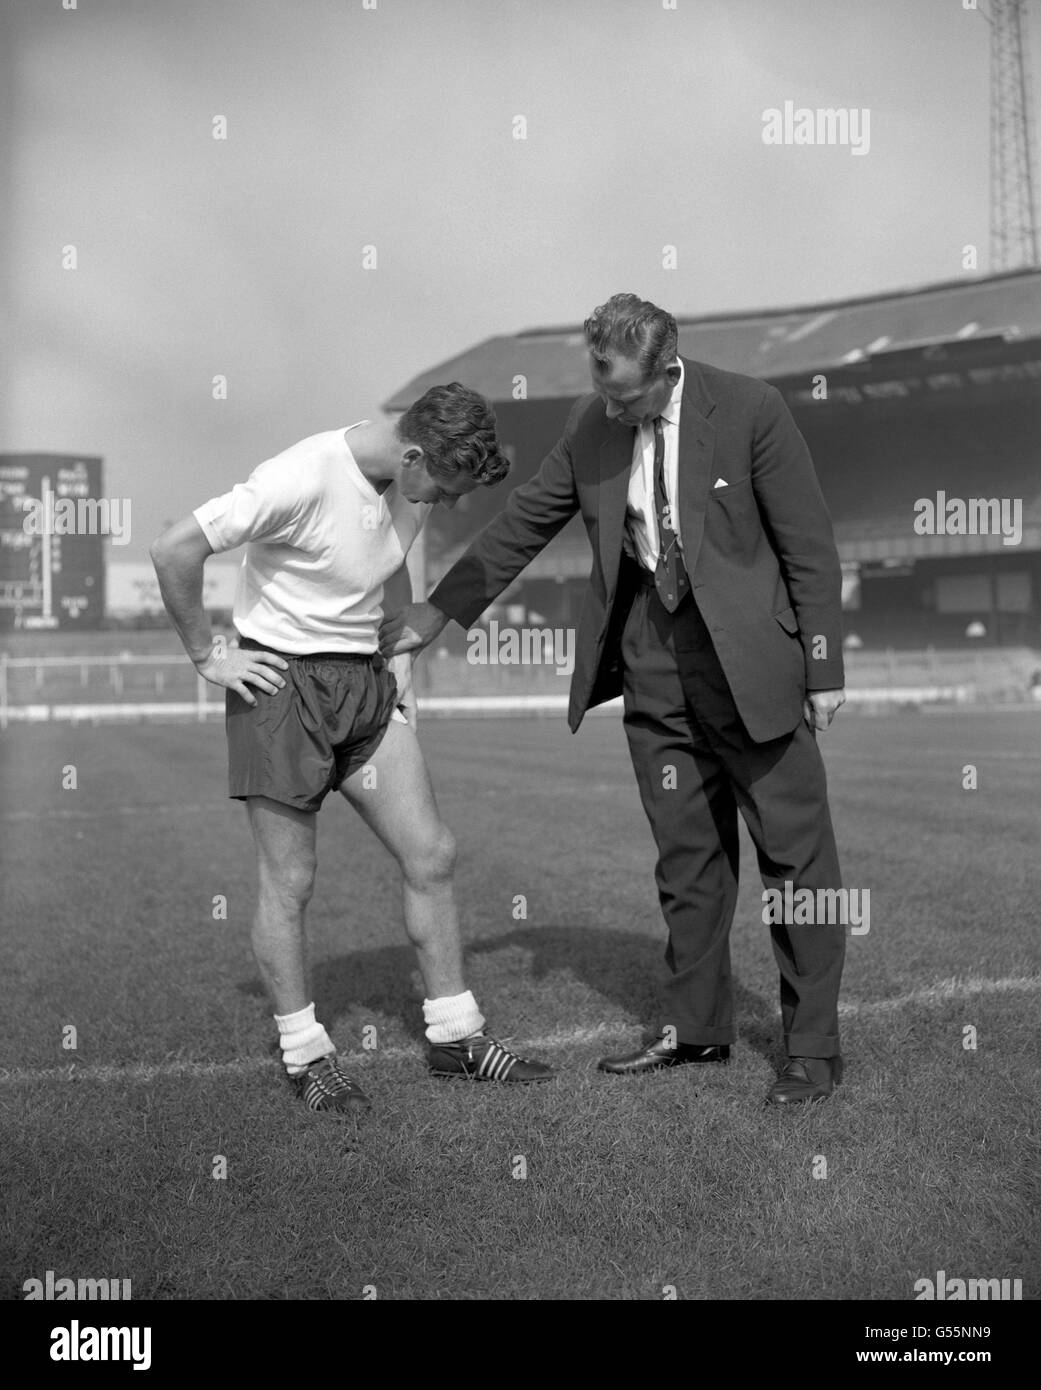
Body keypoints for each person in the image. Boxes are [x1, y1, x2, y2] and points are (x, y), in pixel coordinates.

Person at [382, 296, 848, 1106]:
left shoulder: (749, 410)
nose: (611, 405)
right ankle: (698, 1032)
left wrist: (822, 667)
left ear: (666, 370)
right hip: (651, 664)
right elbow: (523, 522)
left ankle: (812, 1049)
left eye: (626, 393)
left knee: (796, 864)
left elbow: (807, 545)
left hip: (752, 667)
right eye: (600, 383)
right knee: (687, 863)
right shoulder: (592, 423)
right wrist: (434, 615)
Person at [150, 383, 555, 1117]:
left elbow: (387, 560)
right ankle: (307, 1056)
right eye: (444, 488)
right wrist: (207, 655)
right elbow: (174, 546)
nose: (446, 503)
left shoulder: (414, 480)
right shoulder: (298, 476)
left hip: (364, 689)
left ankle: (456, 1039)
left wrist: (399, 654)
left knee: (430, 853)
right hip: (281, 692)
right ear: (410, 455)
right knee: (292, 881)